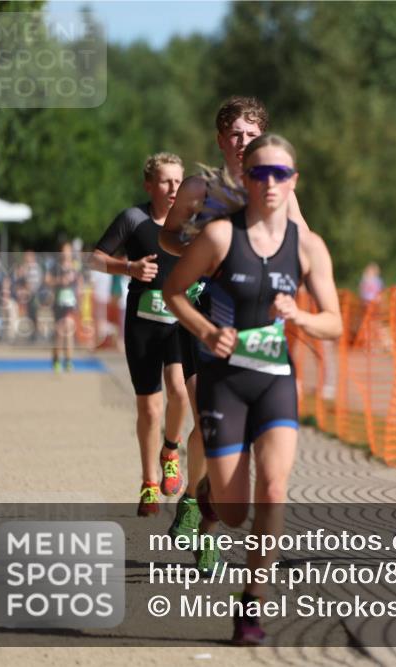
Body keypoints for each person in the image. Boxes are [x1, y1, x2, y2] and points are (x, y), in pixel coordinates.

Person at [163, 133, 342, 645]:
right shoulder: (220, 237)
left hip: (274, 381)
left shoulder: (307, 246)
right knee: (236, 510)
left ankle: (252, 604)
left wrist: (300, 315)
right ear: (245, 178)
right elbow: (175, 291)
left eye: (280, 174)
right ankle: (207, 495)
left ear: (293, 182)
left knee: (274, 489)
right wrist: (205, 332)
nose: (269, 183)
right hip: (223, 382)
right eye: (260, 173)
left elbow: (333, 321)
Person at [158, 97, 311, 573]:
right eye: (234, 134)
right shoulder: (200, 187)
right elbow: (168, 235)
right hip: (205, 310)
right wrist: (199, 252)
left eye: (250, 134)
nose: (242, 142)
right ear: (221, 140)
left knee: (237, 432)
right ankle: (197, 501)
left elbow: (303, 240)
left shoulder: (276, 186)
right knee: (205, 402)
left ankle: (201, 510)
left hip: (255, 319)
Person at [91, 152, 191, 516]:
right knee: (149, 406)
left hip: (181, 320)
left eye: (178, 181)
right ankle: (149, 481)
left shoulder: (193, 223)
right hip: (143, 323)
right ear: (149, 185)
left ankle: (171, 449)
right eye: (165, 181)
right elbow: (95, 258)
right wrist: (128, 267)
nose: (173, 188)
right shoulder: (133, 219)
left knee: (179, 390)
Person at [48, 241, 82, 371]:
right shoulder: (55, 266)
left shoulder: (75, 266)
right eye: (64, 251)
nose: (66, 253)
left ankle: (68, 361)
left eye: (68, 251)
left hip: (70, 302)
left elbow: (80, 282)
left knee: (68, 330)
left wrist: (79, 298)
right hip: (58, 302)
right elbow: (47, 280)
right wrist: (59, 281)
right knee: (59, 333)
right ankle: (56, 359)